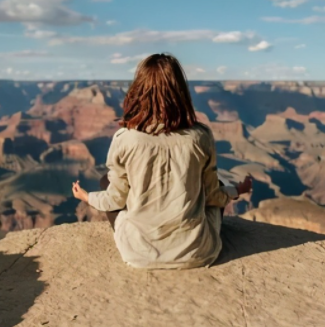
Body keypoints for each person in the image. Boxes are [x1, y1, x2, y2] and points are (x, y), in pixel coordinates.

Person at [72, 53, 252, 269]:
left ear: (138, 90)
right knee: (219, 186)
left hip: (138, 254)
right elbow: (213, 197)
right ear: (180, 92)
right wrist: (236, 190)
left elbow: (116, 201)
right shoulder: (200, 136)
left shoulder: (125, 138)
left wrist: (86, 197)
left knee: (106, 183)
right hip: (197, 253)